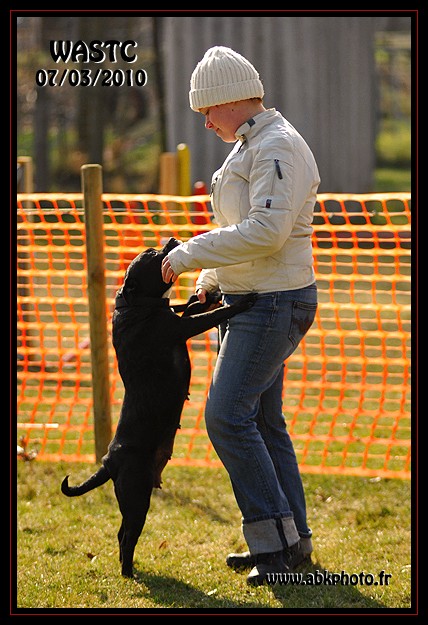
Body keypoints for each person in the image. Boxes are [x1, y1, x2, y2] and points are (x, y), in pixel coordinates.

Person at [161, 46, 320, 586]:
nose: (204, 122)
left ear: (228, 100)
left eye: (206, 110)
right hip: (254, 297)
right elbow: (245, 232)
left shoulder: (275, 147)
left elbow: (267, 232)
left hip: (273, 301)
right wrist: (210, 282)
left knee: (227, 417)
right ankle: (291, 541)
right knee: (261, 420)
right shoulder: (252, 144)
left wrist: (185, 257)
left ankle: (274, 545)